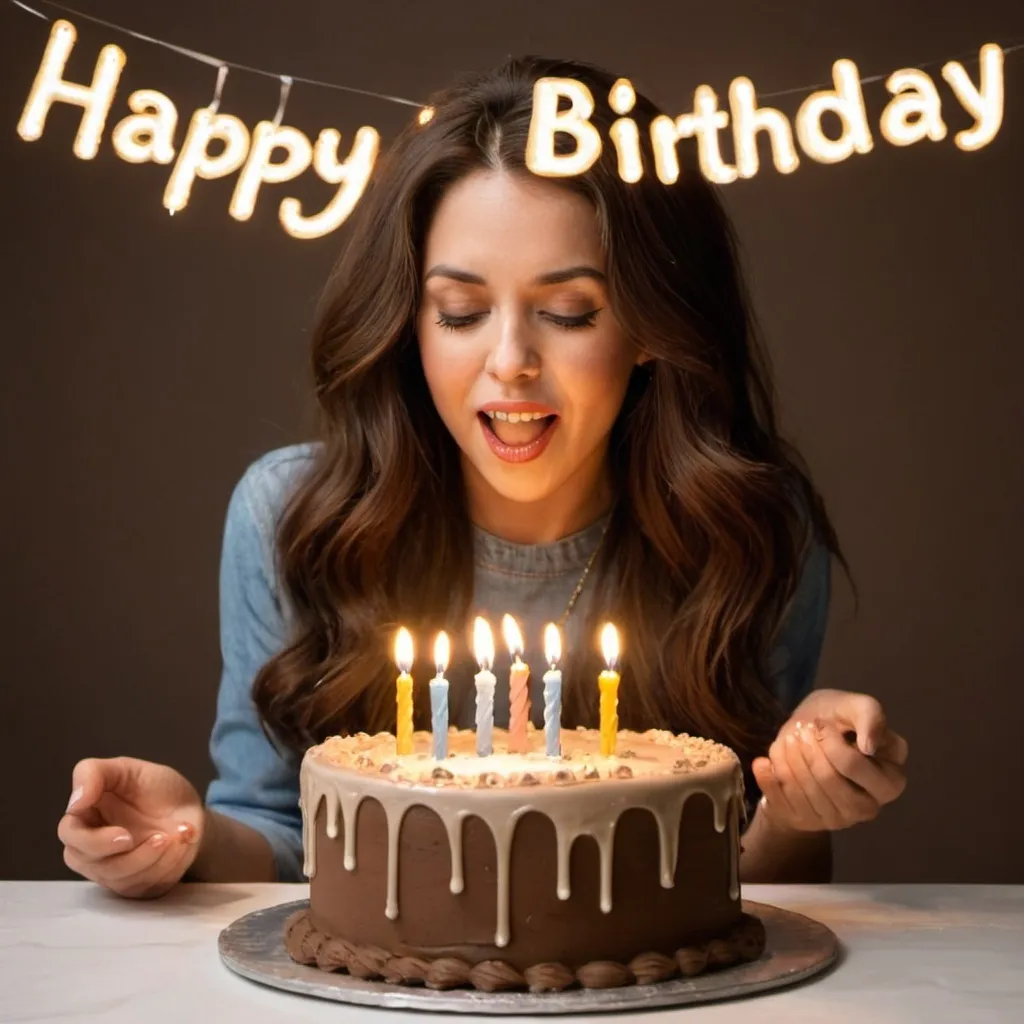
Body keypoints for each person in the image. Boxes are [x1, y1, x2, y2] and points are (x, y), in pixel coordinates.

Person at [57, 55, 907, 899]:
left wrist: (803, 794)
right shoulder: (290, 519)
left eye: (569, 313)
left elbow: (739, 888)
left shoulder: (748, 528)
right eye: (460, 313)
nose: (510, 364)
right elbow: (287, 846)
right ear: (408, 318)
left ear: (653, 323)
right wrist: (187, 838)